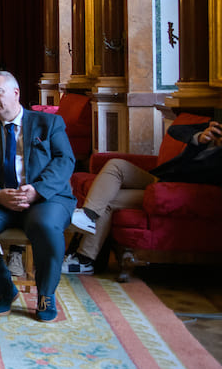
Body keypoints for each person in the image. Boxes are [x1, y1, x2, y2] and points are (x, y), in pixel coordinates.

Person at [0, 70, 75, 322]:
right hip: (1, 200)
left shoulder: (49, 123)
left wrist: (37, 190)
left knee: (45, 225)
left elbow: (64, 160)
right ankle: (3, 289)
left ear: (16, 93)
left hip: (46, 198)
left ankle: (45, 294)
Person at [63, 118, 222, 275]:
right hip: (157, 178)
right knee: (116, 165)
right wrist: (200, 137)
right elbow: (175, 130)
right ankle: (88, 215)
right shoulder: (213, 129)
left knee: (108, 201)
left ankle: (84, 260)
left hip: (168, 192)